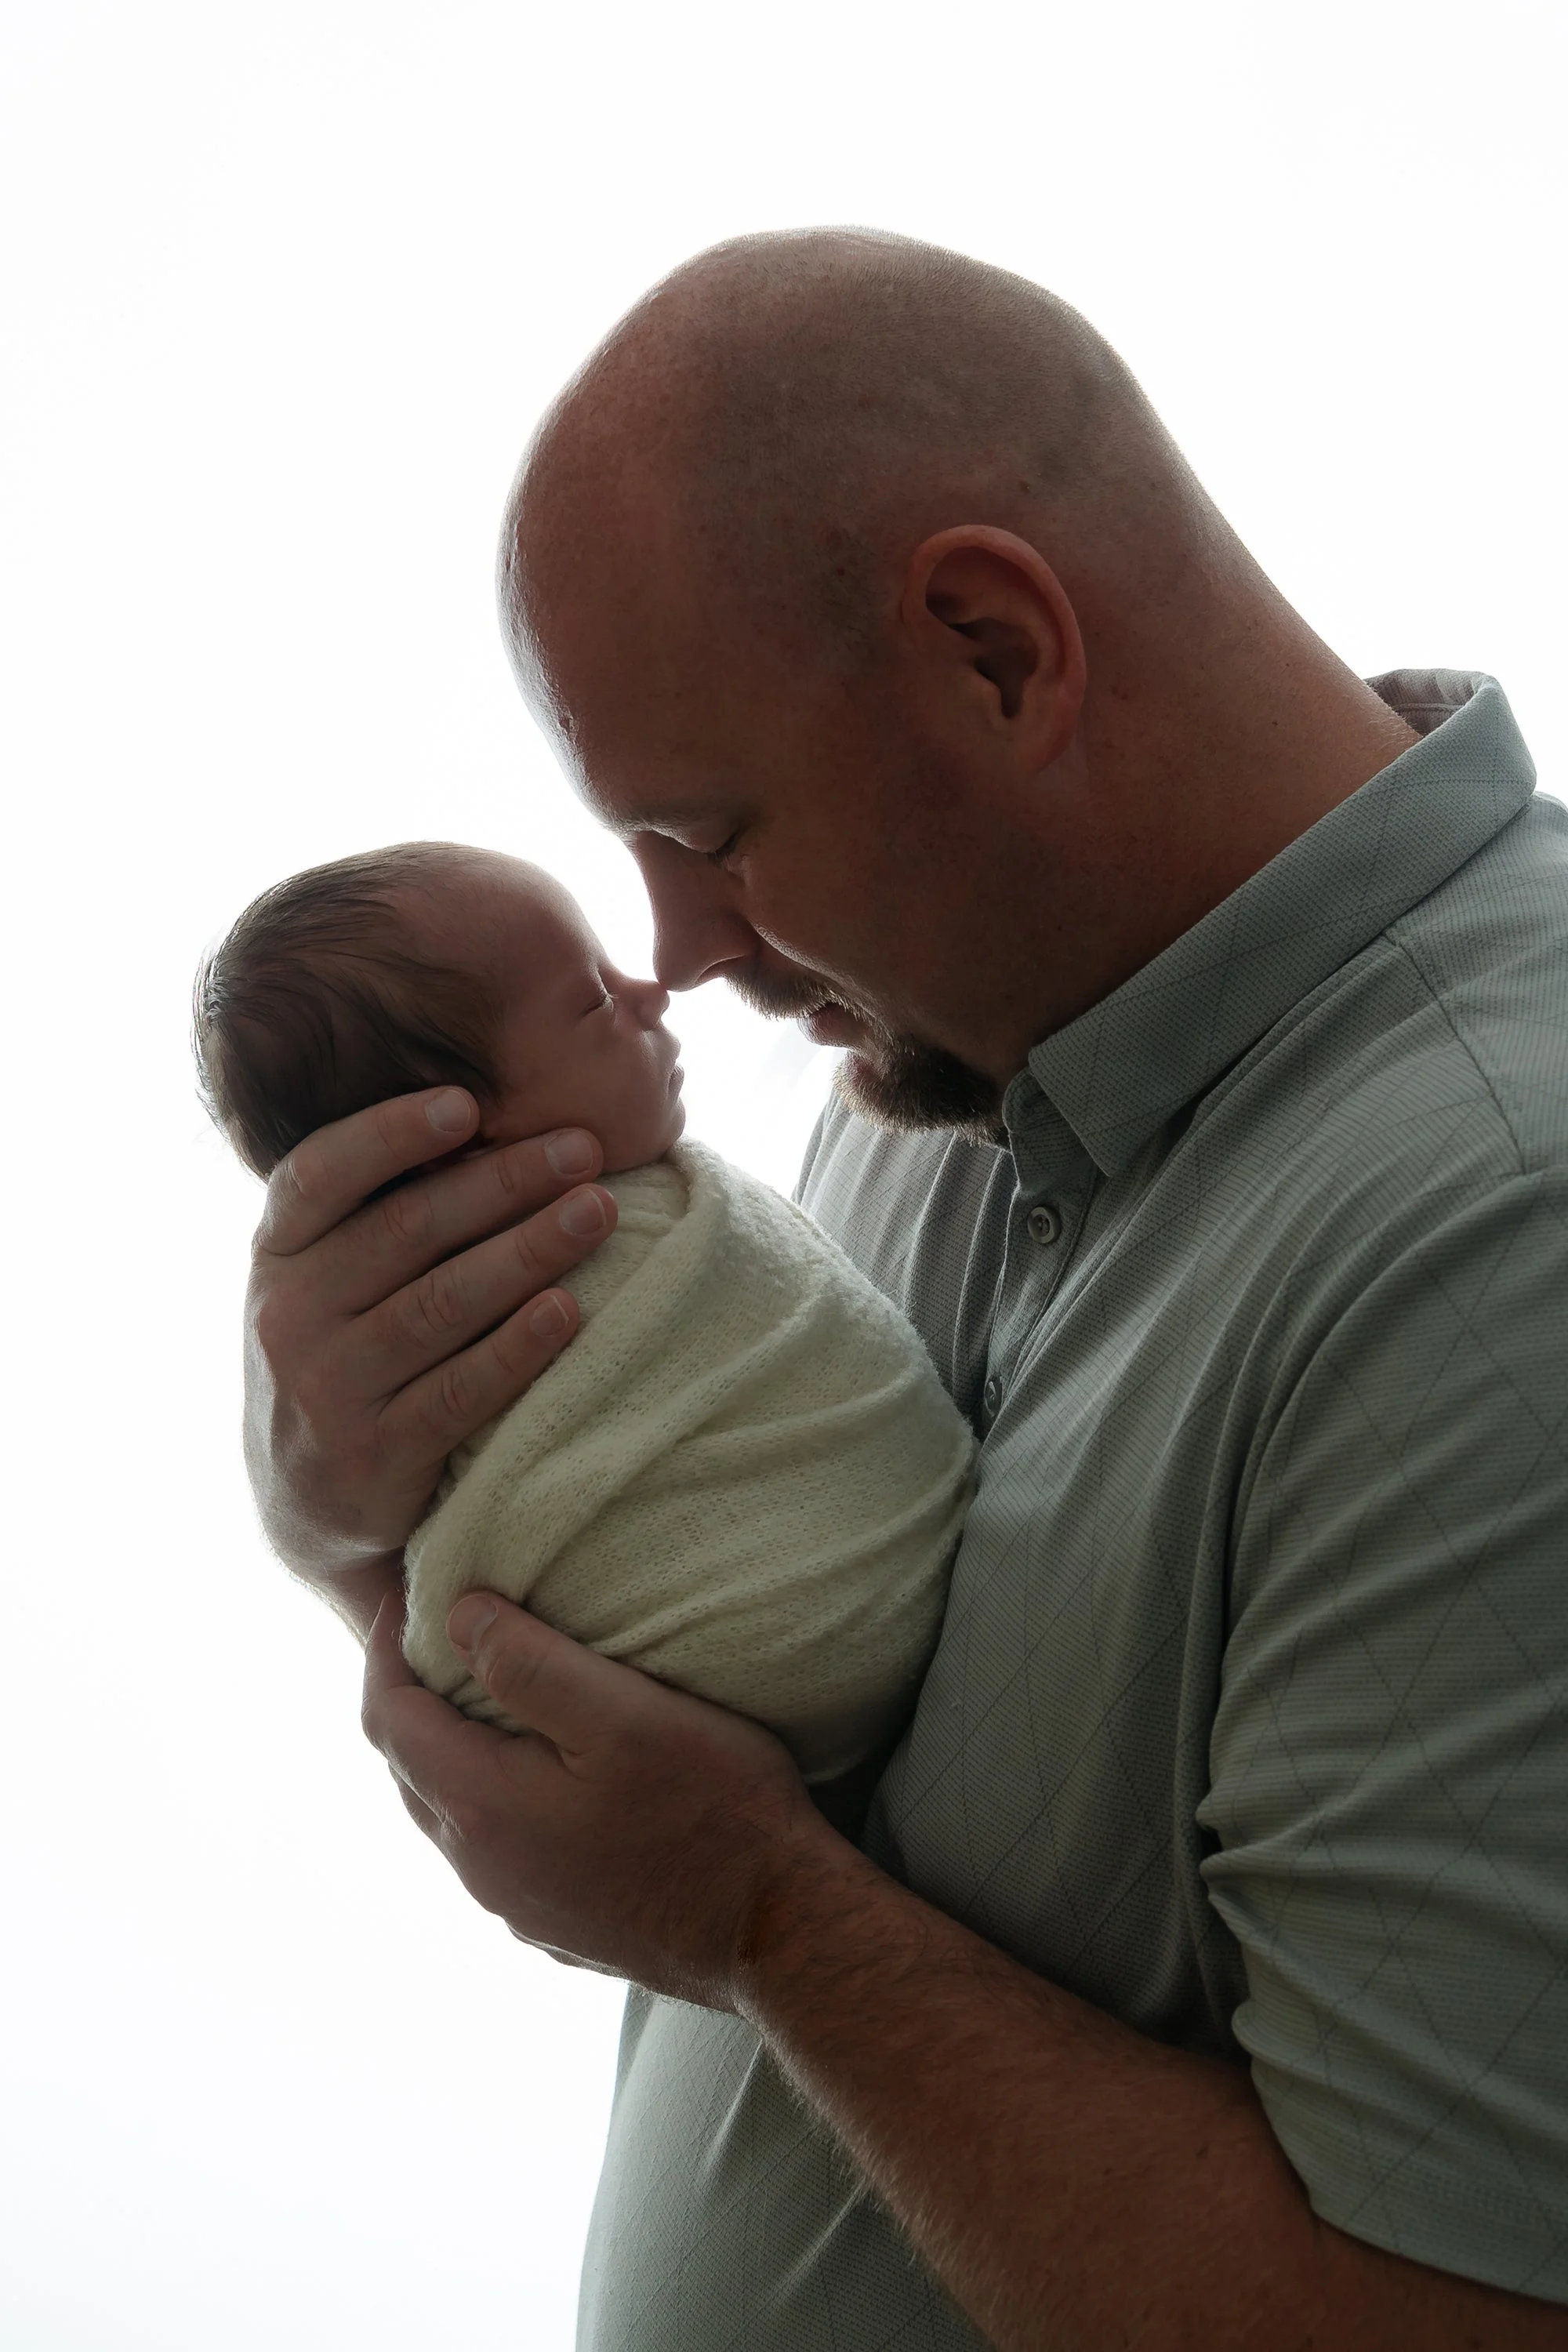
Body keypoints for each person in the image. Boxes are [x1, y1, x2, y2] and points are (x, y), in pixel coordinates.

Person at [241, 230, 1568, 2348]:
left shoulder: (1511, 1219)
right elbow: (668, 1715)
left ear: (998, 649)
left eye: (710, 830)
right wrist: (356, 1503)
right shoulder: (937, 1051)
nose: (672, 951)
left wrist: (762, 1918)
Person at [195, 840, 973, 1789]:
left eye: (724, 833)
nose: (658, 984)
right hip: (775, 1644)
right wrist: (324, 1541)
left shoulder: (743, 1196)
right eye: (596, 1001)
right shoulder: (479, 1311)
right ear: (449, 1139)